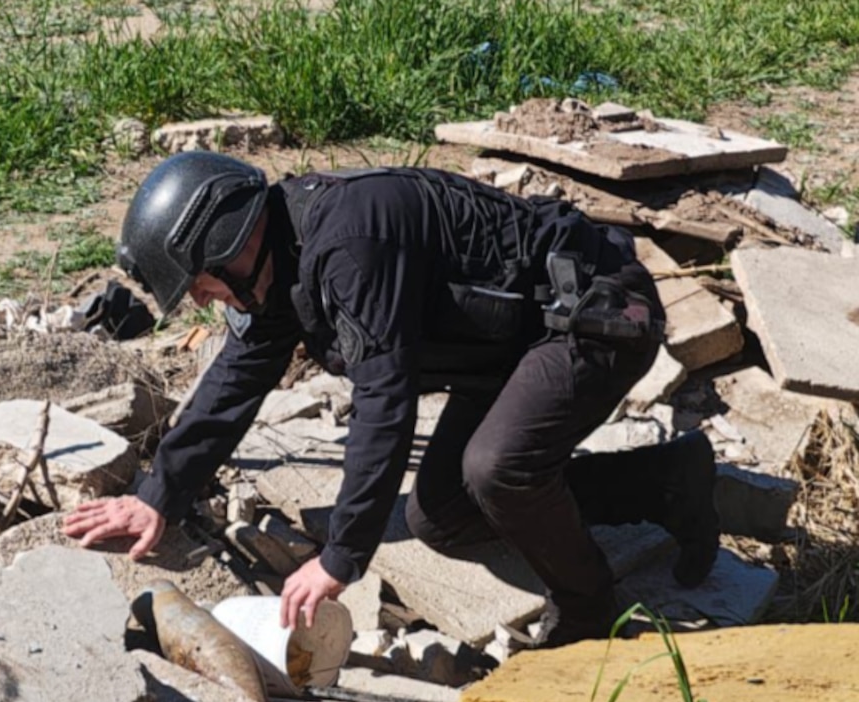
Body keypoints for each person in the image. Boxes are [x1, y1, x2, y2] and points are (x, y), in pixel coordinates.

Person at [63, 151, 719, 648]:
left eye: (200, 284)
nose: (202, 300)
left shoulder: (350, 242)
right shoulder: (283, 255)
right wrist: (158, 496)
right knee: (443, 515)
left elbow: (385, 402)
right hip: (513, 342)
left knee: (499, 467)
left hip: (595, 313)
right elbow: (237, 375)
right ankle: (664, 483)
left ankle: (587, 607)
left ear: (228, 243)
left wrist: (340, 558)